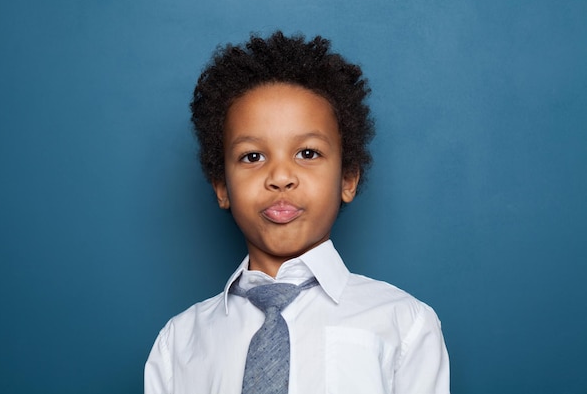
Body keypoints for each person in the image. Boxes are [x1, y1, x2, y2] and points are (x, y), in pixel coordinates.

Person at [144, 31, 450, 394]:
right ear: (222, 187)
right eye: (252, 156)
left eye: (307, 153)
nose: (281, 177)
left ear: (348, 179)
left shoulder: (405, 325)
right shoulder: (178, 344)